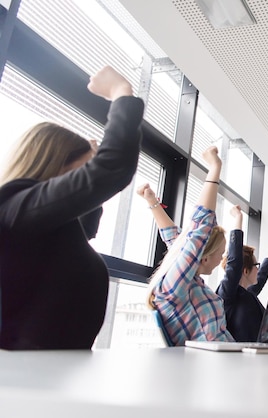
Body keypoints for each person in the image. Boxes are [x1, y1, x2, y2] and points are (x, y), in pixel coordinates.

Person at [0, 66, 144, 350]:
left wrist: (90, 159)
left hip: (52, 376)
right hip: (24, 382)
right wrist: (121, 95)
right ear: (57, 164)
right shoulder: (16, 208)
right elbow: (110, 170)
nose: (83, 181)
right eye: (81, 171)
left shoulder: (50, 228)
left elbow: (87, 224)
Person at [138, 146, 233, 345]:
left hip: (227, 359)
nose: (222, 260)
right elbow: (201, 225)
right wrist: (215, 167)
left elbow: (174, 238)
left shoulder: (186, 282)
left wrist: (152, 202)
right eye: (221, 254)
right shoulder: (174, 286)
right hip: (214, 369)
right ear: (204, 257)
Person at [216, 204, 268, 341]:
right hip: (237, 358)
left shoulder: (246, 293)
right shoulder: (227, 294)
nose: (258, 269)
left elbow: (261, 277)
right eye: (256, 265)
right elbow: (235, 263)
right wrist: (238, 218)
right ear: (244, 271)